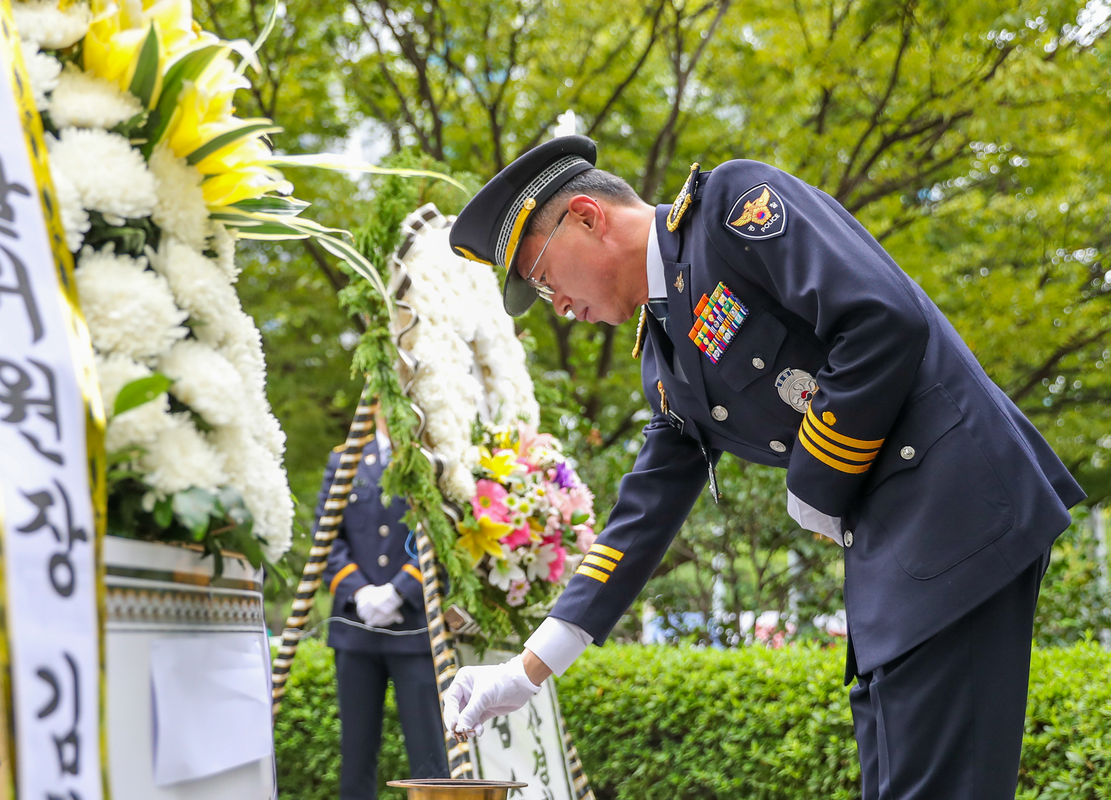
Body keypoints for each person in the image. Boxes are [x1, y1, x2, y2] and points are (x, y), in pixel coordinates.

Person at [441, 135, 1085, 799]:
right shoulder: (663, 361)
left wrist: (816, 483)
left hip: (956, 517)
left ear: (587, 216)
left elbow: (879, 320)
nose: (560, 307)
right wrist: (526, 671)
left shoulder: (731, 208)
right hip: (897, 556)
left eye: (545, 280)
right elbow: (641, 517)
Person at [319, 413, 448, 800]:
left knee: (431, 761)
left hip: (413, 631)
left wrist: (399, 591)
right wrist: (360, 594)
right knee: (355, 759)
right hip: (355, 632)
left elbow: (445, 536)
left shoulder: (434, 459)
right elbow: (325, 538)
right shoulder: (345, 460)